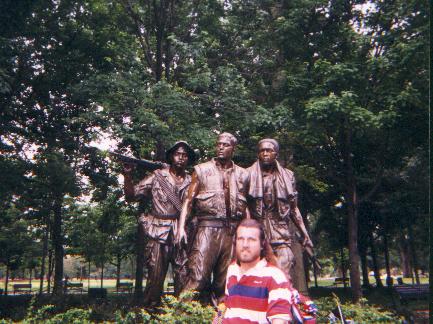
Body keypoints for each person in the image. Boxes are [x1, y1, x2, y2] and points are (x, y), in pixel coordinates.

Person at [175, 132, 249, 304]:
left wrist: (247, 234)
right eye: (219, 144)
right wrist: (180, 229)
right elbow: (188, 201)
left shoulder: (243, 175)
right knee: (198, 277)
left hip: (231, 232)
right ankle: (180, 316)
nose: (221, 147)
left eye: (225, 145)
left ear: (233, 148)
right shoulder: (201, 170)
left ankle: (222, 318)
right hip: (207, 229)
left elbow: (246, 209)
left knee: (226, 282)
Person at [123, 141, 196, 306]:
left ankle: (182, 314)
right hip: (158, 231)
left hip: (182, 232)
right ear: (171, 157)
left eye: (185, 155)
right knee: (155, 277)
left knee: (183, 276)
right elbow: (132, 196)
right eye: (178, 154)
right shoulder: (157, 177)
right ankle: (151, 311)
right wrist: (127, 176)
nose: (181, 158)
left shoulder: (192, 181)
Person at [246, 139, 313, 291]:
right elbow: (244, 206)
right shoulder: (248, 174)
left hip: (280, 230)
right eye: (262, 151)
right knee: (257, 275)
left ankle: (282, 307)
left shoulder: (288, 176)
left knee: (283, 272)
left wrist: (304, 233)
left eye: (268, 151)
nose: (265, 153)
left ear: (275, 154)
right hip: (258, 231)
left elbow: (294, 208)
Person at [222, 218, 294, 323]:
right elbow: (225, 306)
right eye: (241, 239)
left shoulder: (275, 276)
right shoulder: (232, 270)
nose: (245, 244)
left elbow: (279, 320)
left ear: (262, 244)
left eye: (251, 239)